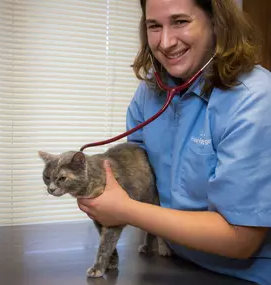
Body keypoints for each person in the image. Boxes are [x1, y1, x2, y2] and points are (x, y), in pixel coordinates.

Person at [77, 0, 271, 284]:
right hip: (174, 261)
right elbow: (139, 178)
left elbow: (240, 240)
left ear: (217, 22)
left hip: (244, 274)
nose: (165, 42)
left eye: (180, 21)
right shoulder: (150, 93)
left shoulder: (255, 98)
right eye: (154, 26)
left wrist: (124, 210)